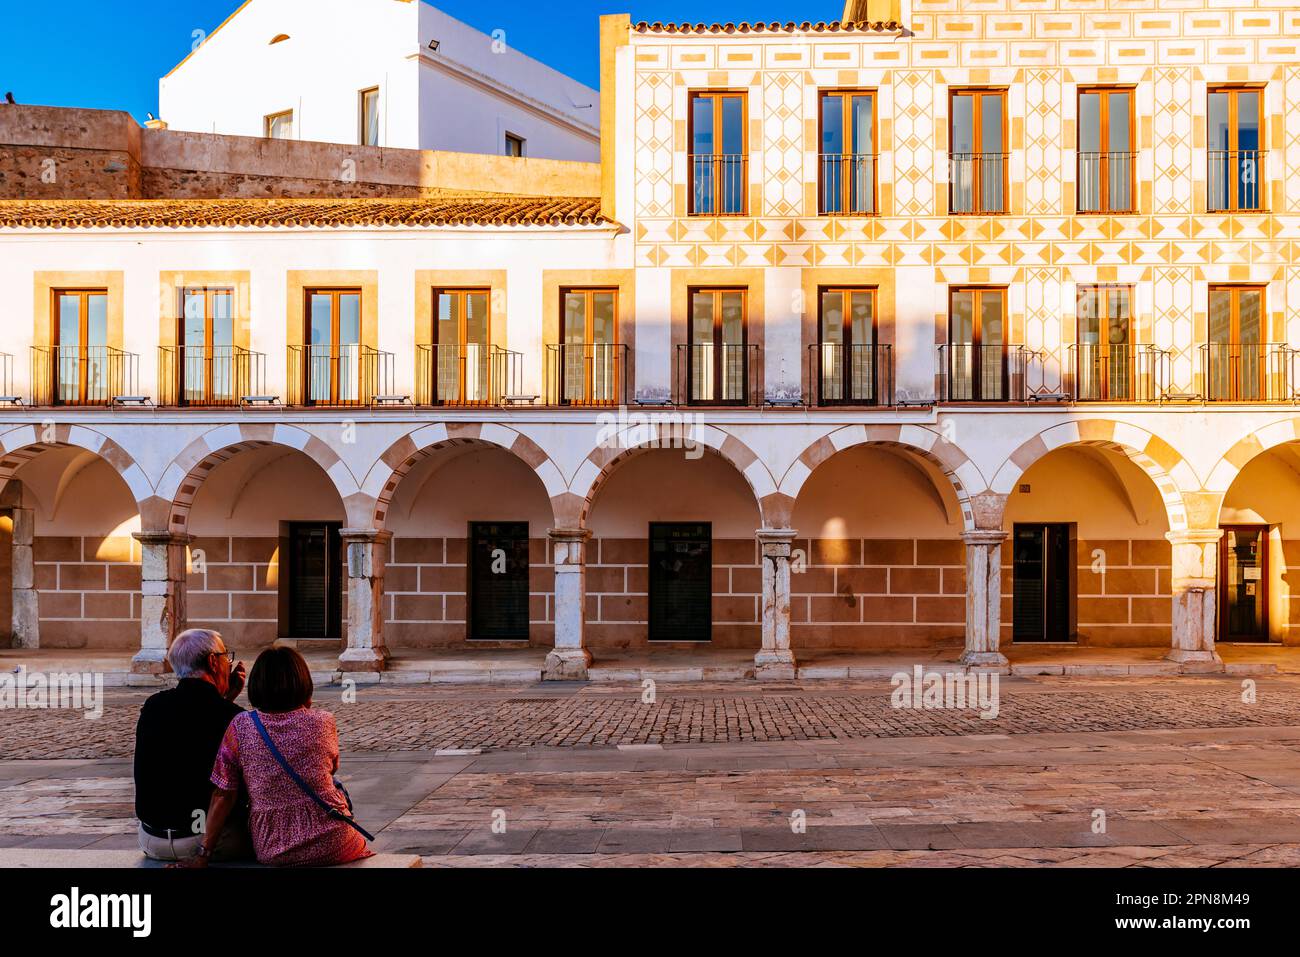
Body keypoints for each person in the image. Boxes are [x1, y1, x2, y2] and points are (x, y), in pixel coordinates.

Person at [176, 646, 372, 868]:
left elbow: (223, 795)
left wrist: (203, 854)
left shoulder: (241, 726)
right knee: (335, 784)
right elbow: (331, 768)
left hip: (274, 847)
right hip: (335, 843)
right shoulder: (325, 721)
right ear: (303, 683)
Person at [134, 628, 252, 862]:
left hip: (152, 839)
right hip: (207, 841)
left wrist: (224, 700)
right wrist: (226, 703)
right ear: (213, 662)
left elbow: (192, 727)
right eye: (225, 657)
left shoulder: (153, 706)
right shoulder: (232, 717)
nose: (229, 664)